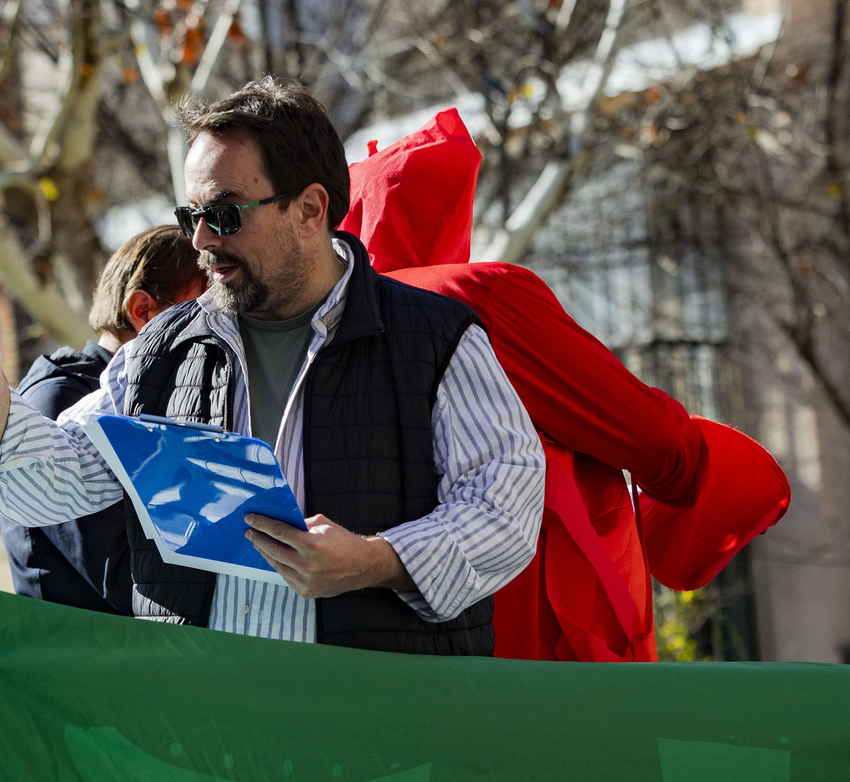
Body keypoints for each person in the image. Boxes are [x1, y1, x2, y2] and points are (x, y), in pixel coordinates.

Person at [0, 76, 545, 656]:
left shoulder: (435, 339)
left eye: (221, 214)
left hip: (380, 733)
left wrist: (378, 559)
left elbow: (508, 509)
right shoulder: (163, 349)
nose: (199, 241)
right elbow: (59, 482)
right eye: (190, 217)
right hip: (201, 730)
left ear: (309, 210)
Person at [339, 107, 791, 661]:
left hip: (383, 638)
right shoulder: (476, 294)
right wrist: (716, 474)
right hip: (525, 628)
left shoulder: (323, 322)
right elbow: (651, 438)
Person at [0, 225, 206, 614]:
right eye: (197, 315)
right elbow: (124, 577)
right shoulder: (60, 399)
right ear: (142, 310)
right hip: (83, 659)